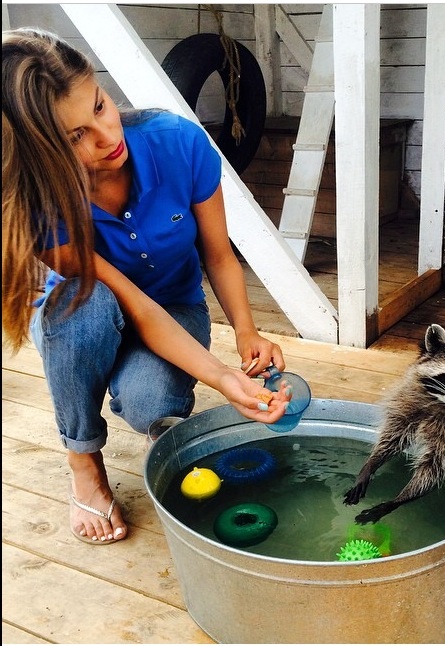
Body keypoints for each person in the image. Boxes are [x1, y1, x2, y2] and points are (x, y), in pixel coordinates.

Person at [2, 28, 292, 545]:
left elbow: (219, 255)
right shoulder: (39, 204)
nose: (106, 136)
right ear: (39, 153)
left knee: (148, 404)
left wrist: (246, 334)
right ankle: (83, 459)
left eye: (100, 105)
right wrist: (223, 379)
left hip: (174, 305)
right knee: (83, 304)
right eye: (74, 137)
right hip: (86, 319)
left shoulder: (177, 141)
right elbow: (127, 302)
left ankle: (133, 384)